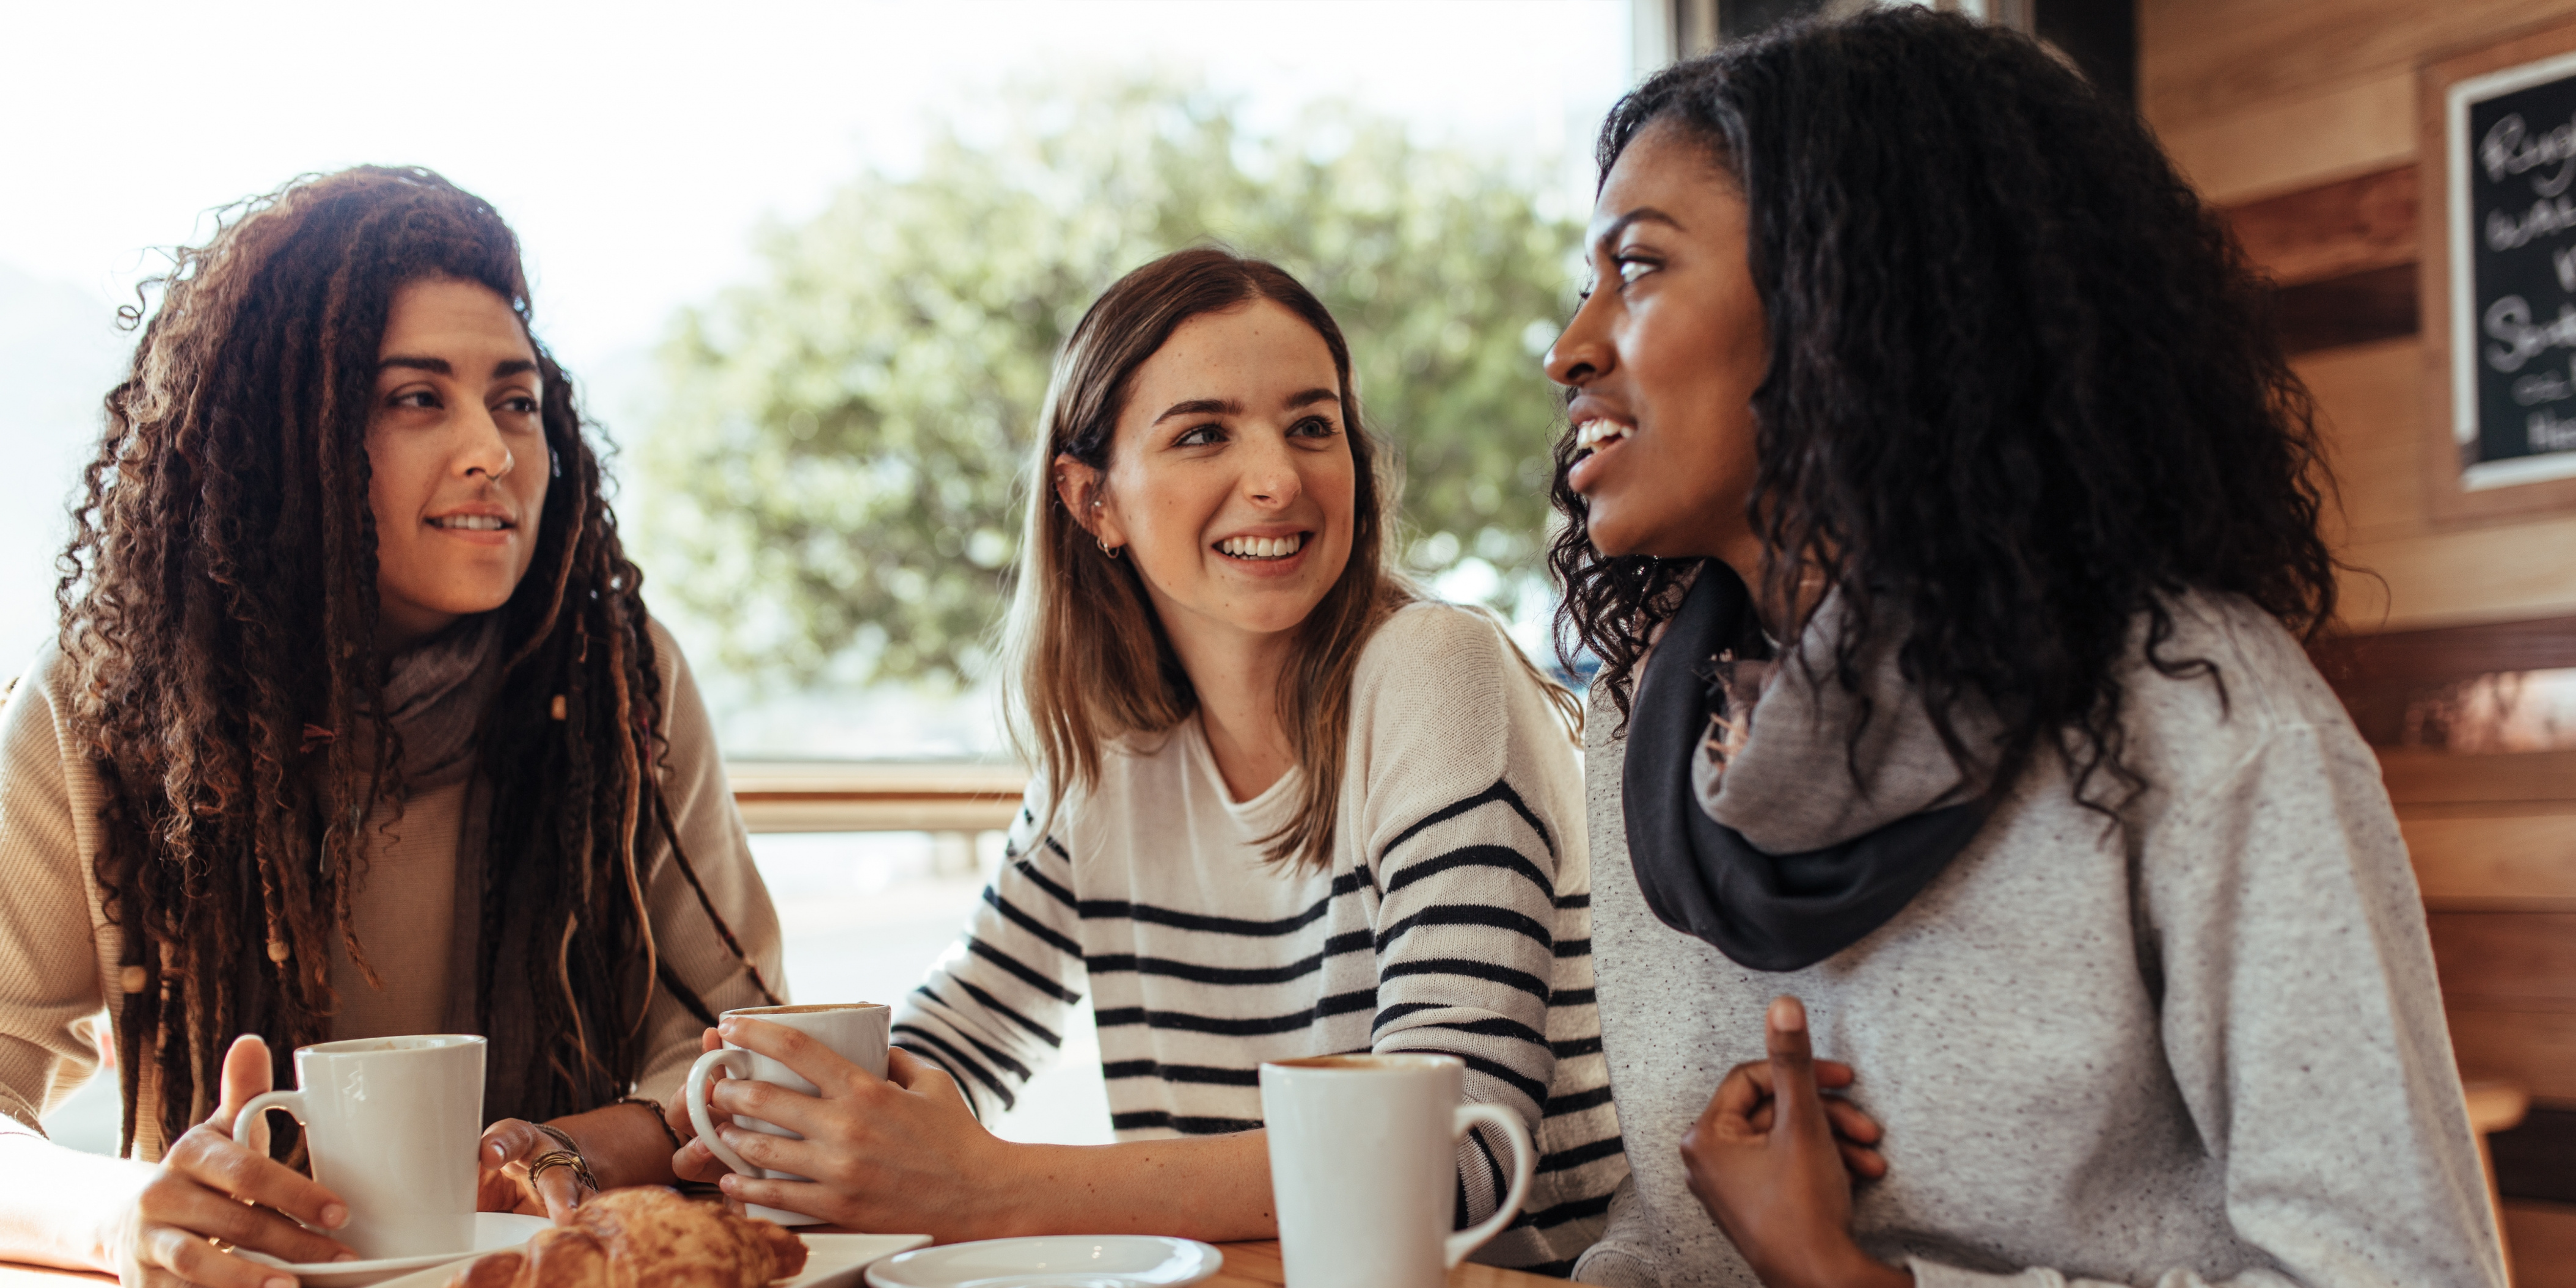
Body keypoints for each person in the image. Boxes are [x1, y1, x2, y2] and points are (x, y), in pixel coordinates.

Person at [1544, 11, 2502, 1288]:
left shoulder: (2192, 708)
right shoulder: (1645, 722)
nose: (1572, 348)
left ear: (1856, 302)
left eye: (1643, 269)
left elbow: (2397, 1272)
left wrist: (1846, 1279)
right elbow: (1661, 1244)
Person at [667, 247, 1626, 1270]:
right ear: (1094, 502)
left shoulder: (1436, 668)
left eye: (1313, 426)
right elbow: (953, 1050)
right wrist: (811, 1125)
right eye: (1204, 434)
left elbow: (1450, 1154)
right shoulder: (1108, 756)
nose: (1277, 479)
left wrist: (988, 1189)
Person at [0, 167, 785, 1287]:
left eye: (516, 402)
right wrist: (123, 1218)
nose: (495, 452)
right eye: (418, 399)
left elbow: (733, 1059)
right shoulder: (107, 704)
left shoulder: (620, 682)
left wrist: (550, 1157)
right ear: (280, 439)